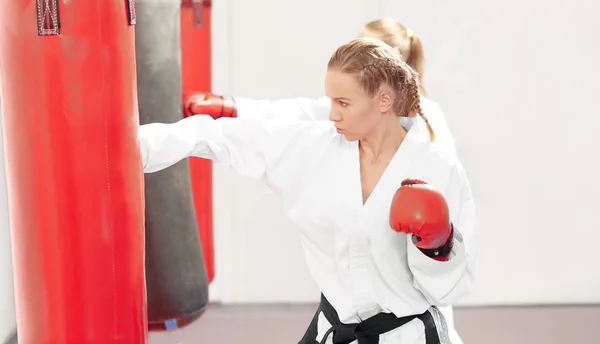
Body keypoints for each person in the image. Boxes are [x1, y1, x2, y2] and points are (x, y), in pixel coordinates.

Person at [139, 38, 477, 343]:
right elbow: (219, 136)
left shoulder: (437, 170)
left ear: (384, 100)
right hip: (335, 332)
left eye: (343, 102)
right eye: (330, 101)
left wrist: (438, 244)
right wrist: (137, 147)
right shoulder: (312, 150)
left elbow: (447, 288)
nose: (332, 114)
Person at [184, 18, 457, 158]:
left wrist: (436, 242)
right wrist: (231, 106)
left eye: (364, 48)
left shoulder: (426, 118)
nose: (354, 54)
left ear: (392, 55)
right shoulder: (355, 104)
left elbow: (447, 182)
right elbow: (299, 113)